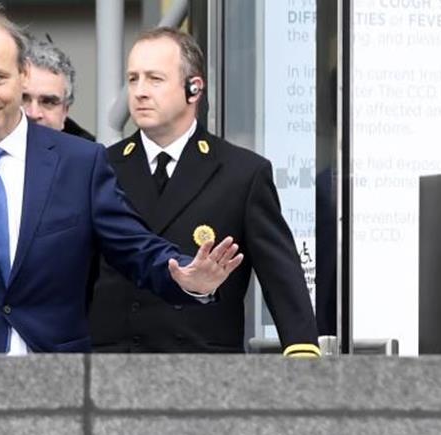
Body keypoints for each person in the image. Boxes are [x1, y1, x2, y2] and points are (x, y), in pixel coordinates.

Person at [0, 5, 242, 353]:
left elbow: (135, 247)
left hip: (58, 382)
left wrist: (187, 276)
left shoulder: (80, 163)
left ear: (24, 73)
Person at [88, 28, 319, 357]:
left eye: (155, 79)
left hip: (203, 366)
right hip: (114, 364)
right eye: (133, 79)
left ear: (194, 88)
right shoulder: (101, 167)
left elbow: (281, 276)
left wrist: (302, 351)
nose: (139, 92)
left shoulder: (242, 173)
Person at [22, 36, 95, 141]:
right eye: (22, 98)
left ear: (65, 112)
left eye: (48, 102)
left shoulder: (86, 149)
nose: (33, 114)